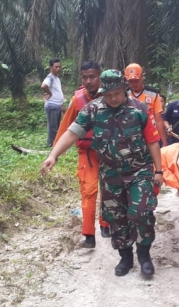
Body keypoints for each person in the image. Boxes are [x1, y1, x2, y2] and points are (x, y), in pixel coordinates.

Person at [41, 69, 164, 277]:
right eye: (108, 95)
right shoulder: (93, 110)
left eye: (117, 93)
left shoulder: (140, 109)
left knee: (142, 212)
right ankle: (126, 257)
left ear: (124, 89)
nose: (114, 98)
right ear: (102, 93)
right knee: (116, 218)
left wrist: (159, 170)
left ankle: (144, 255)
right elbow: (71, 133)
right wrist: (54, 155)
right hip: (110, 175)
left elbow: (152, 141)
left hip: (139, 172)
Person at [53, 61, 110, 248]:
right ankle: (89, 235)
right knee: (88, 191)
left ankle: (106, 224)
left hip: (110, 153)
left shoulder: (112, 96)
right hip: (87, 153)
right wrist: (55, 154)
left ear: (100, 77)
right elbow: (66, 129)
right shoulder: (77, 100)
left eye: (92, 76)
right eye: (85, 77)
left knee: (109, 190)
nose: (88, 81)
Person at [125, 63, 168, 146]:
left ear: (142, 76)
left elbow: (158, 120)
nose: (134, 84)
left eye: (136, 80)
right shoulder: (124, 94)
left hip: (151, 136)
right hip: (131, 138)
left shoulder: (153, 94)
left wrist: (164, 142)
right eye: (131, 81)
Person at [41, 58, 64, 147]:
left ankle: (55, 143)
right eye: (56, 67)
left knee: (56, 126)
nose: (58, 68)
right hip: (52, 105)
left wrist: (61, 104)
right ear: (51, 67)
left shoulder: (56, 78)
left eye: (59, 67)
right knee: (53, 127)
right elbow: (43, 86)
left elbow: (58, 92)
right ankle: (52, 144)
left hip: (57, 105)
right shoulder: (50, 77)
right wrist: (49, 93)